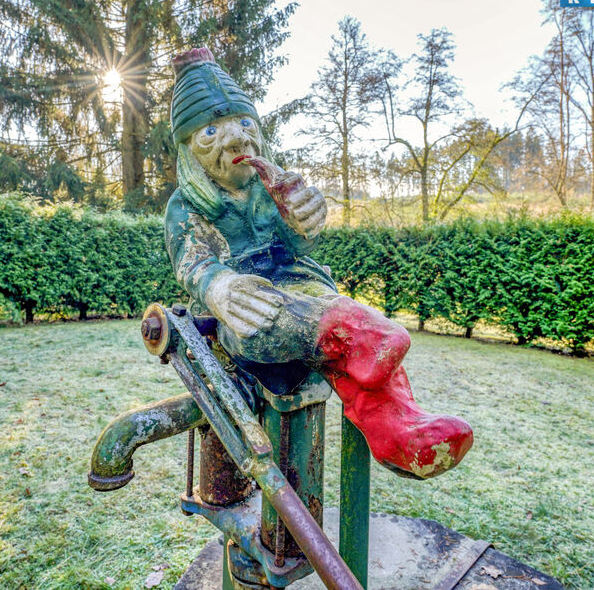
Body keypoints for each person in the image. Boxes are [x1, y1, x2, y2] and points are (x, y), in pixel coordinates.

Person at [164, 48, 472, 479]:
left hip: (302, 286)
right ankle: (365, 336)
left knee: (339, 333)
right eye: (211, 131)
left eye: (245, 123)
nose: (236, 140)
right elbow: (192, 262)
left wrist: (303, 220)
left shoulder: (267, 185)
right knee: (275, 323)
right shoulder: (186, 205)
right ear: (187, 149)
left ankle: (399, 430)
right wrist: (219, 287)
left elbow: (297, 246)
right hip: (245, 303)